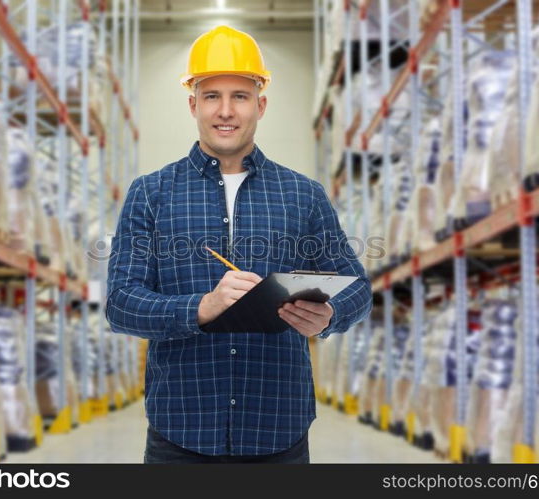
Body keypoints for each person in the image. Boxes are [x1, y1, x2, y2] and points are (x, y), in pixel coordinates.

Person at [106, 25, 372, 464]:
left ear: (260, 104)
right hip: (181, 431)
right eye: (211, 95)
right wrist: (199, 308)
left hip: (277, 430)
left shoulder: (303, 195)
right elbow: (120, 302)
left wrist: (329, 316)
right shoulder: (150, 193)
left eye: (240, 96)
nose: (225, 111)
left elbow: (358, 288)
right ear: (192, 103)